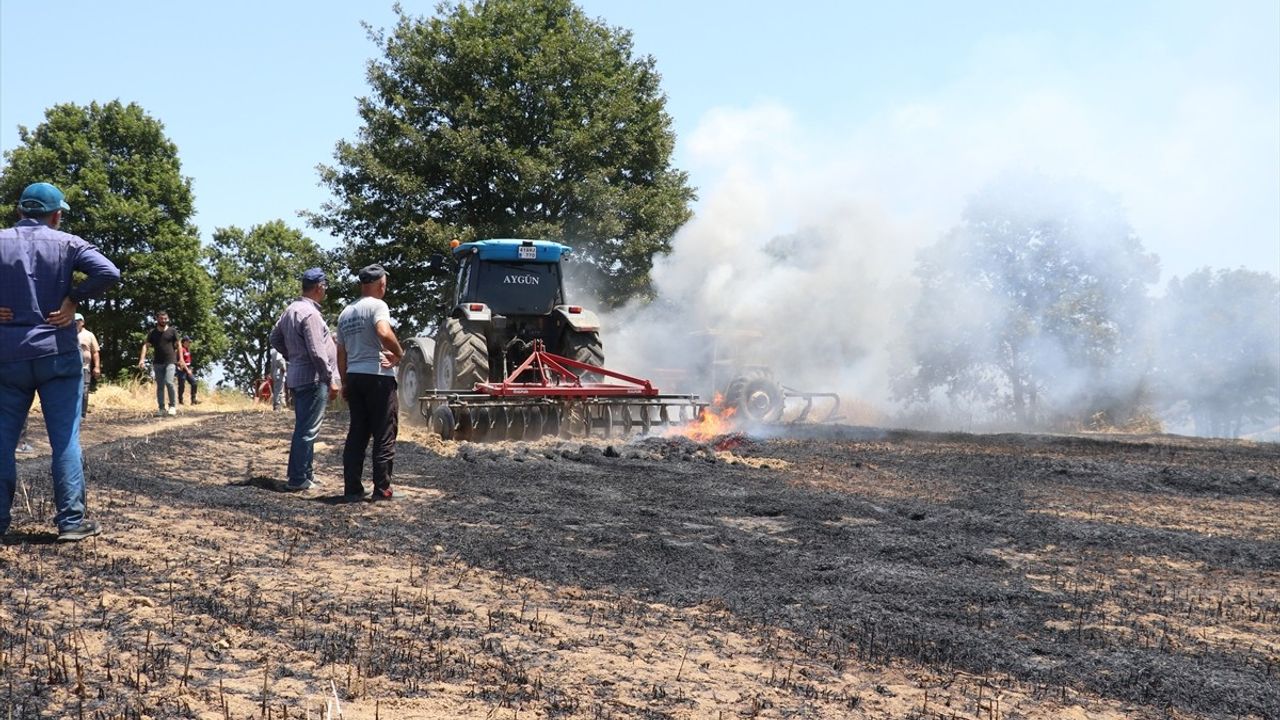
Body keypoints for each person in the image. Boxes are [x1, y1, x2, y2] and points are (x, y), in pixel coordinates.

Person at [0, 182, 120, 541]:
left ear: (20, 212)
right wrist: (75, 299)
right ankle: (70, 522)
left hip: (8, 355)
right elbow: (109, 273)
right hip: (57, 354)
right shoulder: (68, 242)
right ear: (56, 216)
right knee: (65, 440)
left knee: (3, 442)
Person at [337, 264, 404, 501]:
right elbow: (384, 332)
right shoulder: (378, 306)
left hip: (355, 376)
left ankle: (352, 489)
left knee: (357, 434)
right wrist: (399, 352)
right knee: (384, 433)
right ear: (381, 284)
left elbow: (341, 353)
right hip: (377, 377)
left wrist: (345, 382)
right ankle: (382, 489)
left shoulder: (346, 312)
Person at [269, 268, 339, 491]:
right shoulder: (311, 314)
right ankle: (298, 478)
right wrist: (331, 379)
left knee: (306, 427)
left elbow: (274, 338)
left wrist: (292, 355)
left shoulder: (290, 310)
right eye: (325, 286)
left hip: (297, 376)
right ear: (319, 287)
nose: (325, 290)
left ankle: (307, 473)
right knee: (307, 430)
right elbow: (317, 352)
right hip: (313, 378)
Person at [137, 311, 185, 416]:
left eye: (166, 319)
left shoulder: (172, 331)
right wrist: (142, 360)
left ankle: (172, 406)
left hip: (171, 361)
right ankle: (161, 408)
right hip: (158, 362)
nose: (164, 320)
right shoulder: (152, 332)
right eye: (162, 319)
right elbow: (146, 346)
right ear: (157, 319)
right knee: (160, 386)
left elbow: (179, 345)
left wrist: (181, 359)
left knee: (169, 382)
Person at [75, 313, 100, 419]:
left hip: (85, 367)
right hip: (70, 367)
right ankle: (73, 414)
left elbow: (95, 352)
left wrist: (97, 367)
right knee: (72, 391)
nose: (76, 322)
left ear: (83, 322)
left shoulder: (89, 335)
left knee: (84, 390)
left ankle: (82, 414)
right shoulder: (67, 333)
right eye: (74, 321)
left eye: (78, 321)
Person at [177, 336, 200, 405]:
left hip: (188, 369)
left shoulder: (187, 349)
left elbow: (188, 361)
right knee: (181, 386)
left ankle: (193, 400)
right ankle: (180, 401)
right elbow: (182, 361)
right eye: (188, 342)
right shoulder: (181, 349)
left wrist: (190, 368)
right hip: (181, 370)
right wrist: (187, 370)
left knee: (194, 383)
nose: (189, 343)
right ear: (184, 342)